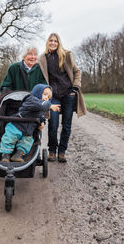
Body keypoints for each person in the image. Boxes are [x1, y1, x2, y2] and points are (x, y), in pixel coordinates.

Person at [38, 33, 86, 163]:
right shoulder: (43, 58)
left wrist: (75, 88)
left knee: (66, 124)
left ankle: (62, 152)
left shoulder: (66, 55)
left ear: (58, 43)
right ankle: (52, 150)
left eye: (55, 41)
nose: (53, 43)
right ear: (48, 42)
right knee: (53, 124)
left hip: (68, 94)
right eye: (51, 41)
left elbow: (77, 72)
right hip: (53, 95)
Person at [0, 84, 60, 162]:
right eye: (45, 94)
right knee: (9, 139)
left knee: (27, 142)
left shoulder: (41, 107)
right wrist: (50, 106)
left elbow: (41, 115)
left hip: (28, 130)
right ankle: (5, 155)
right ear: (37, 93)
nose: (46, 98)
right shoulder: (31, 100)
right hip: (16, 125)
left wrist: (42, 122)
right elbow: (40, 105)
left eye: (48, 97)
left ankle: (18, 154)